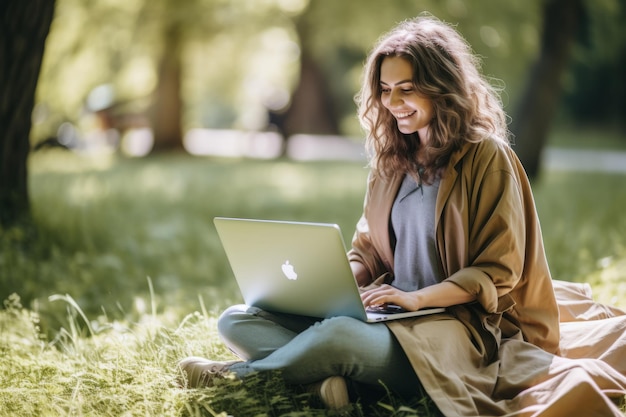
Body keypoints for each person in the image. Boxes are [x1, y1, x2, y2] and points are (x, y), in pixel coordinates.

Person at [179, 15, 626, 414]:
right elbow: (368, 250)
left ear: (441, 87)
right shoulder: (391, 160)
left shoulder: (486, 157)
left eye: (407, 89)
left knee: (337, 338)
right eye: (386, 90)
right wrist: (334, 280)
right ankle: (325, 386)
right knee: (237, 319)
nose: (393, 102)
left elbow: (498, 271)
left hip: (457, 329)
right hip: (388, 315)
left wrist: (417, 299)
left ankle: (238, 378)